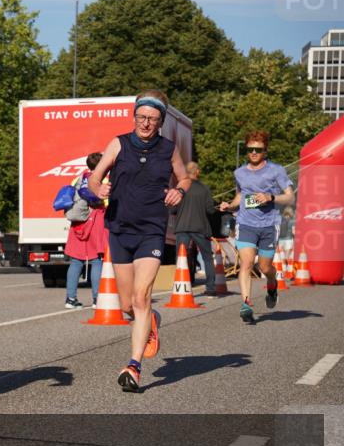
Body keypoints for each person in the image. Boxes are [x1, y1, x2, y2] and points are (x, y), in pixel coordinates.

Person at [87, 90, 190, 393]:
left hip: (151, 230)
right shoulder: (118, 144)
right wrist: (98, 189)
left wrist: (179, 191)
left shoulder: (168, 149)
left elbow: (184, 177)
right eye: (141, 117)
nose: (145, 123)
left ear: (161, 122)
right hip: (120, 229)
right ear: (134, 116)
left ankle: (134, 366)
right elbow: (94, 177)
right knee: (126, 305)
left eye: (152, 119)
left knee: (141, 297)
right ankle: (150, 321)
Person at [219, 132, 294, 322]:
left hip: (269, 224)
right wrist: (230, 206)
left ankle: (272, 284)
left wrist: (271, 197)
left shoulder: (276, 171)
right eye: (250, 149)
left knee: (265, 267)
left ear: (265, 151)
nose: (253, 153)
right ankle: (246, 304)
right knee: (246, 263)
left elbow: (290, 197)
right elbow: (240, 196)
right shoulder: (240, 173)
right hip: (246, 223)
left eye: (258, 150)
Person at [64, 152, 107, 308]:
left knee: (76, 261)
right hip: (95, 221)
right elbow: (105, 202)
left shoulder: (78, 179)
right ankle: (97, 299)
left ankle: (70, 299)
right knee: (96, 260)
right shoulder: (102, 180)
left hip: (78, 222)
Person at [172, 161, 218, 296]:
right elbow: (210, 210)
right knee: (207, 258)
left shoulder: (180, 188)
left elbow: (173, 209)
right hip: (200, 227)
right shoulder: (204, 188)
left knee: (181, 257)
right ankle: (211, 288)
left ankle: (182, 287)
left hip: (182, 227)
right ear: (197, 172)